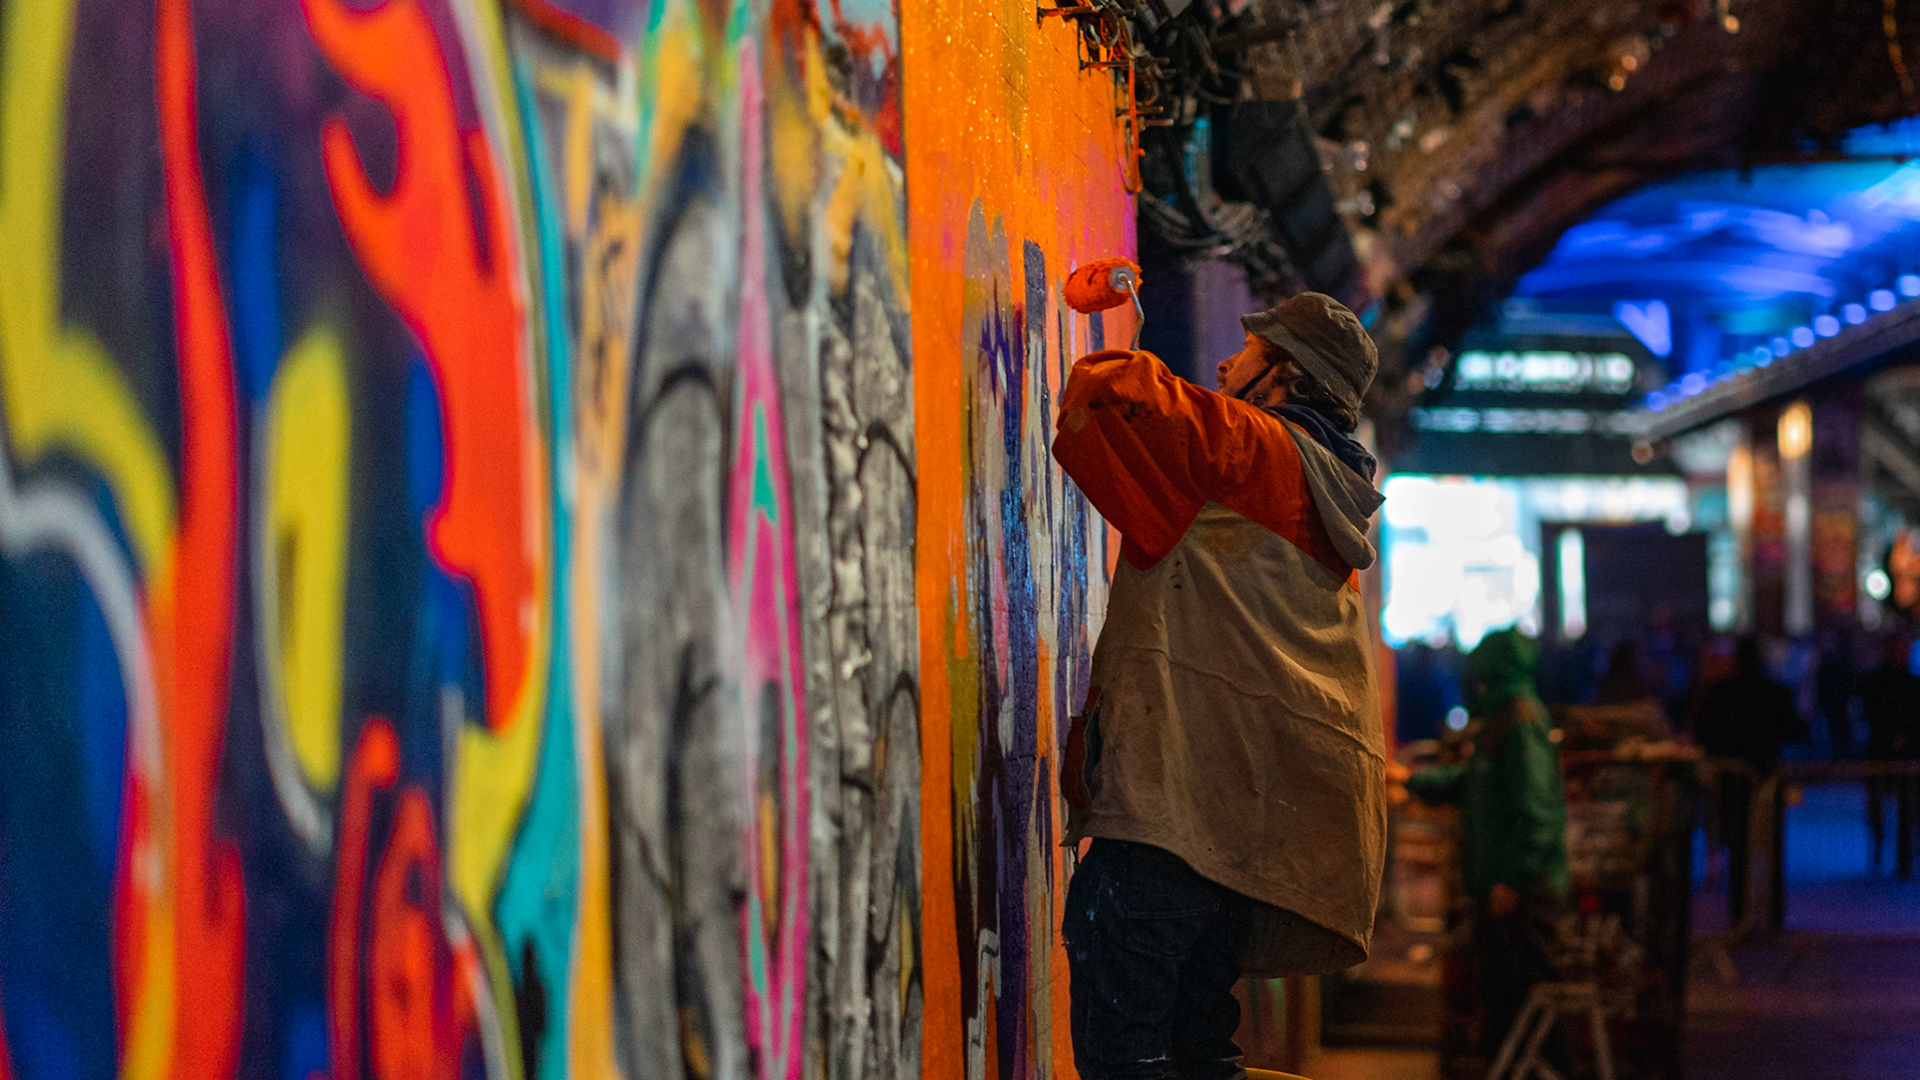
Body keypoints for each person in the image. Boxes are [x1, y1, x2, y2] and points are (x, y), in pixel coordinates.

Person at [1052, 291, 1386, 1080]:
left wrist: (1126, 315)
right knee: (1199, 1055)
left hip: (1167, 821)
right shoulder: (1330, 495)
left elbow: (1105, 390)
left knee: (1127, 1060)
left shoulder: (1254, 449)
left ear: (1284, 375)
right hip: (1237, 845)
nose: (1226, 364)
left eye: (1248, 353)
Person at [1391, 629, 1568, 1063]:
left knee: (1530, 1005)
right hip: (1503, 888)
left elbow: (1535, 809)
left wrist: (1513, 879)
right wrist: (1412, 781)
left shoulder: (1519, 721)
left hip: (1522, 895)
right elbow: (1475, 783)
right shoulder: (1502, 719)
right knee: (1504, 1004)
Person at [1693, 636, 1806, 925]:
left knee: (1739, 849)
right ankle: (1774, 914)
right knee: (1773, 847)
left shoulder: (1721, 693)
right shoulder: (1774, 692)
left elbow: (1703, 734)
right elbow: (1794, 730)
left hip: (1733, 779)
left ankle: (1739, 914)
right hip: (1766, 776)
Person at [1857, 633, 1918, 878]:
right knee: (1882, 807)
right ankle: (1881, 850)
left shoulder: (1909, 683)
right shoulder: (1877, 681)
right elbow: (1869, 711)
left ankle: (1902, 857)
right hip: (1884, 751)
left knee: (1906, 808)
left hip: (1903, 754)